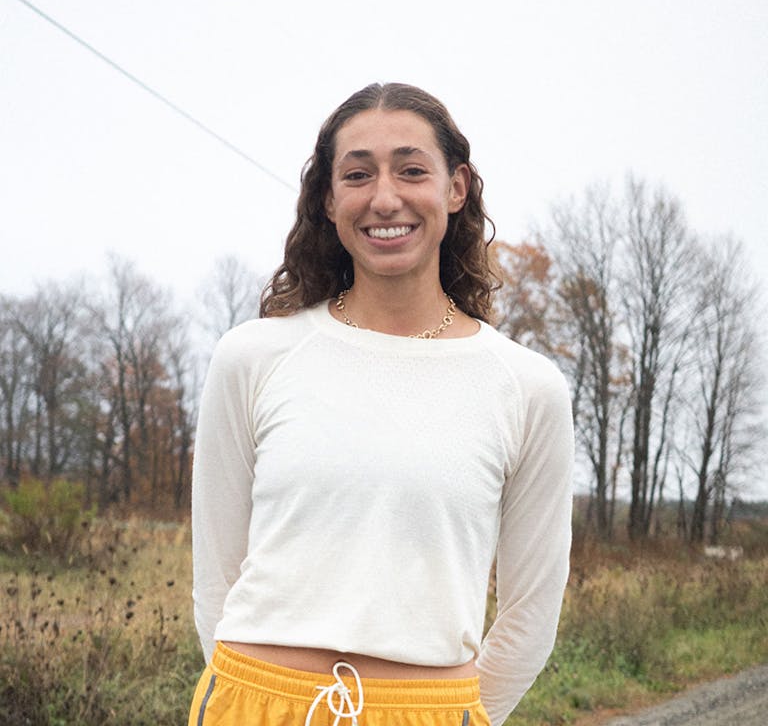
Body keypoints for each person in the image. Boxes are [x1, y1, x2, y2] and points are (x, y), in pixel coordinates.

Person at [188, 83, 574, 726]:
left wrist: (448, 714)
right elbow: (215, 580)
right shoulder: (253, 357)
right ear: (329, 199)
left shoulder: (527, 388)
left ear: (456, 188)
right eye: (358, 174)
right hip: (253, 704)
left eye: (412, 170)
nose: (385, 198)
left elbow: (531, 613)